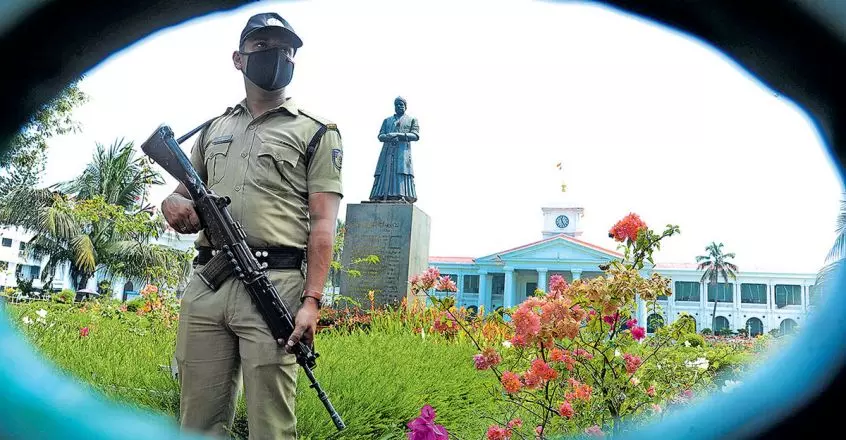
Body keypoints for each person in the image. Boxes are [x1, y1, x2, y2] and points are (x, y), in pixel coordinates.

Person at [160, 12, 343, 440]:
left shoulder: (317, 132)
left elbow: (323, 223)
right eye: (262, 46)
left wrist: (312, 301)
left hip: (274, 286)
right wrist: (172, 204)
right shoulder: (212, 129)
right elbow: (182, 192)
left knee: (271, 428)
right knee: (197, 424)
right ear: (238, 59)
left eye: (285, 49)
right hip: (208, 282)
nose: (275, 55)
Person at [368, 96, 420, 203]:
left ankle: (402, 194)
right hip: (387, 151)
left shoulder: (412, 120)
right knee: (384, 171)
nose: (399, 106)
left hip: (402, 152)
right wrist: (388, 136)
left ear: (405, 106)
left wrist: (399, 135)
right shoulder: (387, 121)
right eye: (397, 105)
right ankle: (380, 194)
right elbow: (380, 136)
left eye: (401, 104)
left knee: (401, 171)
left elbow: (415, 136)